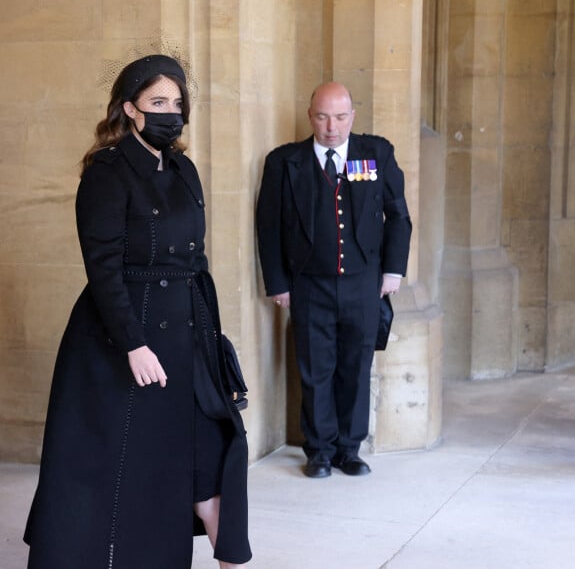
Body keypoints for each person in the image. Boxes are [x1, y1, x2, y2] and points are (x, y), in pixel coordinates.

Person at [24, 55, 252, 568]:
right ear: (130, 109)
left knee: (213, 446)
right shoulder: (106, 172)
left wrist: (211, 341)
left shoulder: (183, 168)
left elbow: (196, 260)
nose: (171, 112)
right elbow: (102, 267)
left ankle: (228, 550)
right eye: (157, 103)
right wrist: (133, 343)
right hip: (122, 340)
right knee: (117, 468)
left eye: (176, 103)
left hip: (187, 332)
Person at [256, 82, 412, 479]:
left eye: (340, 117)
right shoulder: (283, 162)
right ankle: (320, 451)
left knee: (356, 368)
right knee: (314, 369)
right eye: (323, 117)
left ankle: (349, 449)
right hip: (309, 284)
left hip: (364, 283)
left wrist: (393, 271)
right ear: (311, 117)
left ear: (352, 117)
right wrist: (277, 282)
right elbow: (268, 227)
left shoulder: (376, 154)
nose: (332, 127)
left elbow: (398, 216)